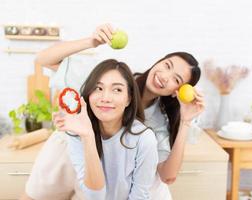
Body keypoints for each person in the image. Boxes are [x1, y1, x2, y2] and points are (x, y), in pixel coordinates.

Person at [36, 23, 205, 199]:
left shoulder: (155, 124)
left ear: (176, 92)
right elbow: (43, 59)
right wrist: (91, 41)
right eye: (167, 66)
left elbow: (167, 176)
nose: (164, 76)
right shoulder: (110, 78)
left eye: (175, 79)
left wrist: (185, 121)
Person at [22, 59, 158, 200]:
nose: (105, 98)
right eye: (98, 88)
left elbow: (140, 196)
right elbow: (95, 196)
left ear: (129, 98)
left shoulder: (144, 139)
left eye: (117, 90)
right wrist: (88, 136)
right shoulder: (77, 133)